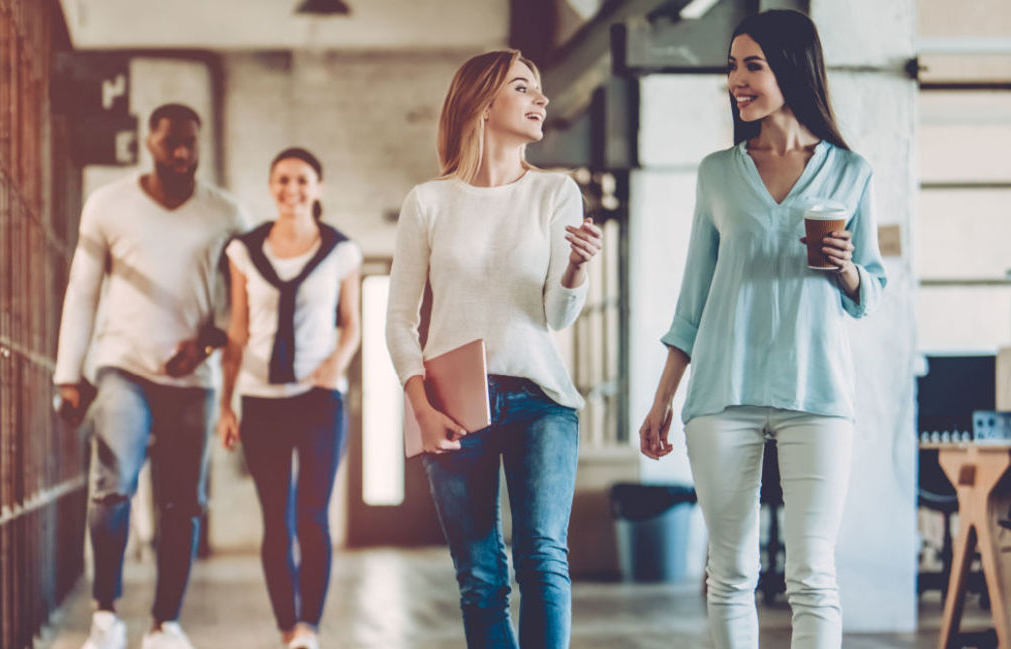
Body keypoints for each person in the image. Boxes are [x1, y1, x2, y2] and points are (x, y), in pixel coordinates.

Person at [638, 10, 888, 649]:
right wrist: (664, 396)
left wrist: (848, 271)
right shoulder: (717, 173)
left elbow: (873, 290)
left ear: (793, 69)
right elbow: (694, 297)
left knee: (812, 575)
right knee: (730, 573)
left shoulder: (851, 171)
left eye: (753, 65)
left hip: (818, 393)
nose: (737, 81)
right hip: (723, 391)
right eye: (732, 66)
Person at [384, 49, 603, 649]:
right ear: (483, 103)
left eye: (539, 91)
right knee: (480, 578)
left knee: (542, 559)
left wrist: (577, 270)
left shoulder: (557, 192)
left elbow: (554, 316)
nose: (542, 100)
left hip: (540, 399)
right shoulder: (427, 202)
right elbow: (400, 320)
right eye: (524, 88)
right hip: (453, 405)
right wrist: (421, 409)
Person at [55, 103, 249, 649]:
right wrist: (68, 374)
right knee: (113, 487)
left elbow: (245, 300)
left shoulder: (226, 212)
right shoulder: (108, 205)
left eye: (191, 143)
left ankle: (166, 624)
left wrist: (208, 343)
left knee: (183, 503)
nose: (183, 154)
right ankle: (106, 615)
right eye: (172, 144)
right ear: (149, 142)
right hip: (123, 367)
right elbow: (83, 289)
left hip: (193, 378)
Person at [216, 147, 361, 649]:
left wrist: (333, 366)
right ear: (271, 186)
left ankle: (309, 628)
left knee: (312, 516)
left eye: (302, 180)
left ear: (317, 188)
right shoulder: (244, 250)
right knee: (276, 520)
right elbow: (237, 329)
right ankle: (285, 628)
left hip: (320, 400)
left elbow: (352, 325)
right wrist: (226, 404)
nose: (291, 190)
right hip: (260, 400)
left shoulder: (341, 251)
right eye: (282, 180)